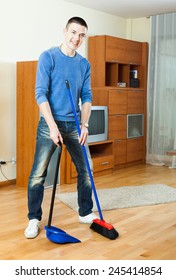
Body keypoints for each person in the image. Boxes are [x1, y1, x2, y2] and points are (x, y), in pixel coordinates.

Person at [24, 16, 97, 239]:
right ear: (64, 31)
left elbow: (86, 96)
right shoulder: (48, 57)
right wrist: (52, 126)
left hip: (74, 124)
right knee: (38, 174)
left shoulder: (84, 64)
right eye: (74, 32)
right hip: (50, 124)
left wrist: (84, 124)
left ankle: (85, 212)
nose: (77, 38)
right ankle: (33, 218)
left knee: (86, 170)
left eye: (82, 35)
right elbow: (40, 94)